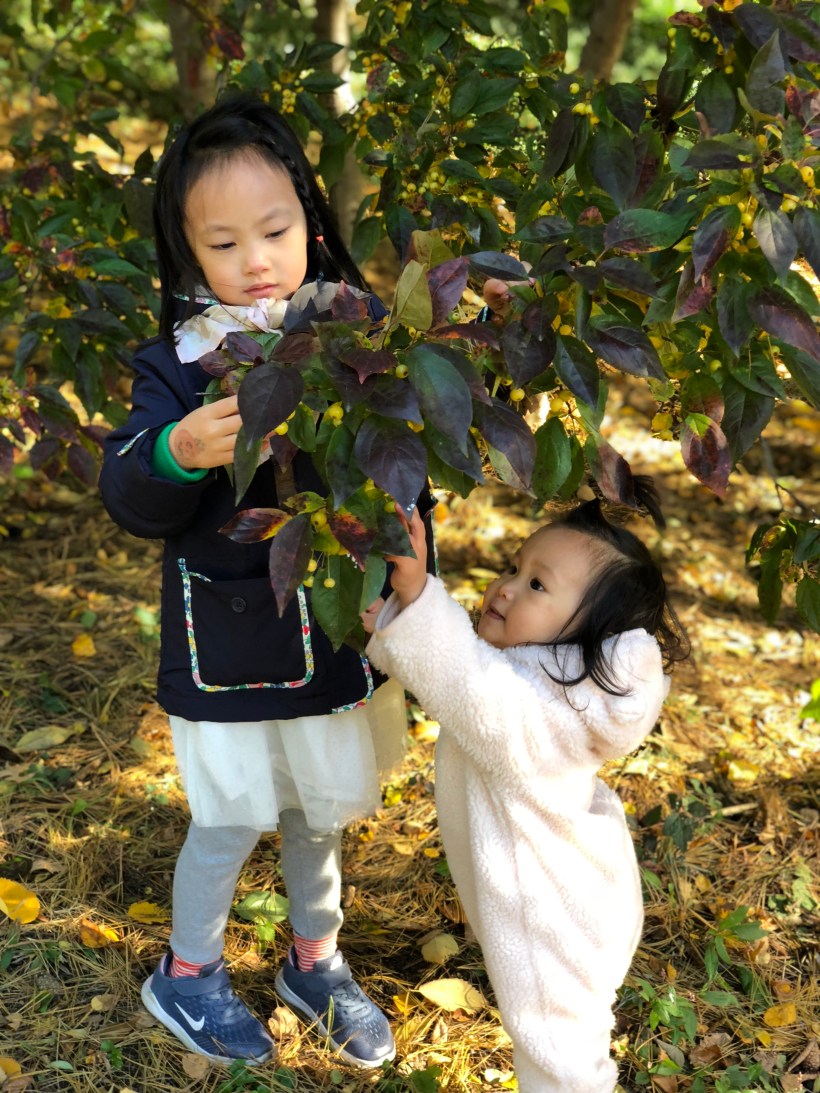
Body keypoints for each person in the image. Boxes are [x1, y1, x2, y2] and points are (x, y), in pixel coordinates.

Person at [99, 93, 423, 1068]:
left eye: (275, 231)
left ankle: (313, 957)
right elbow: (128, 488)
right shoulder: (179, 362)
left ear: (311, 225)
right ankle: (189, 970)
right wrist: (175, 450)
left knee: (318, 808)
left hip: (329, 626)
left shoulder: (354, 335)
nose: (255, 260)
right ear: (188, 253)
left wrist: (415, 549)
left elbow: (400, 462)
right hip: (229, 636)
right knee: (231, 814)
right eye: (224, 242)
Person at [364, 479, 689, 1093]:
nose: (507, 587)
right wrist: (397, 618)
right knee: (563, 1037)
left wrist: (420, 598)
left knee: (557, 1049)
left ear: (589, 630)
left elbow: (474, 690)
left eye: (538, 585)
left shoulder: (548, 709)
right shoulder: (536, 677)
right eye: (515, 568)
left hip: (554, 910)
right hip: (551, 892)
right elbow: (463, 676)